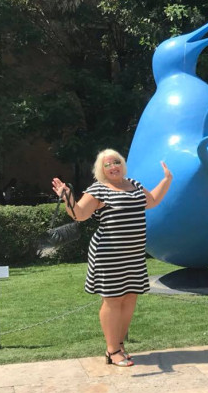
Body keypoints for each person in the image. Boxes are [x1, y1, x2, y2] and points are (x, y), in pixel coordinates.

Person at [52, 149, 172, 366]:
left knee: (130, 297)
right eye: (107, 164)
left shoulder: (133, 184)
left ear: (122, 164)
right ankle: (112, 350)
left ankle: (119, 345)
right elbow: (80, 214)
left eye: (116, 162)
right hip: (109, 255)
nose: (113, 167)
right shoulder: (98, 189)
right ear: (101, 169)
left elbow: (152, 200)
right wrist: (67, 196)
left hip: (134, 255)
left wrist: (167, 180)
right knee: (113, 299)